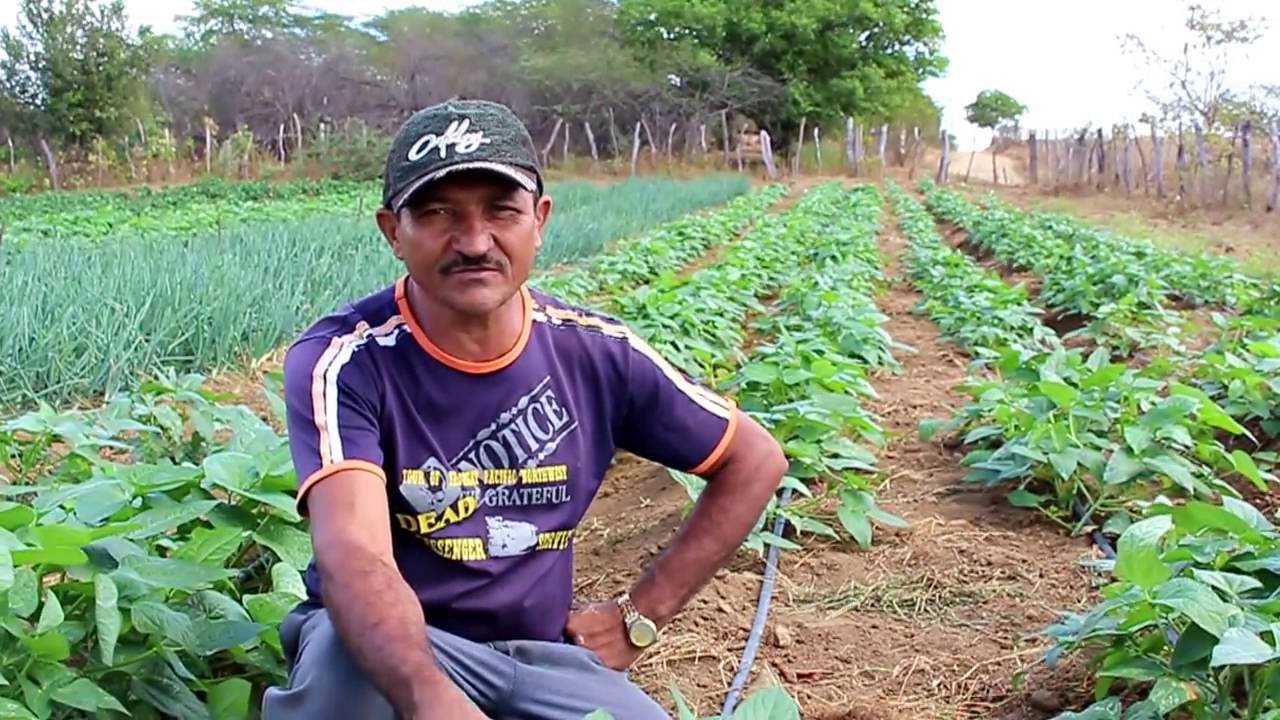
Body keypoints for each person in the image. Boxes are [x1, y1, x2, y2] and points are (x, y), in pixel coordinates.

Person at [261, 99, 788, 720]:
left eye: (501, 211)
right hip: (392, 643)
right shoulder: (347, 360)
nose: (475, 241)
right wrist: (432, 699)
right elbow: (356, 556)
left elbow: (754, 459)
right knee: (337, 692)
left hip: (540, 656)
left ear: (539, 220)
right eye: (437, 214)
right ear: (392, 232)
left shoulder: (595, 353)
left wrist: (641, 615)